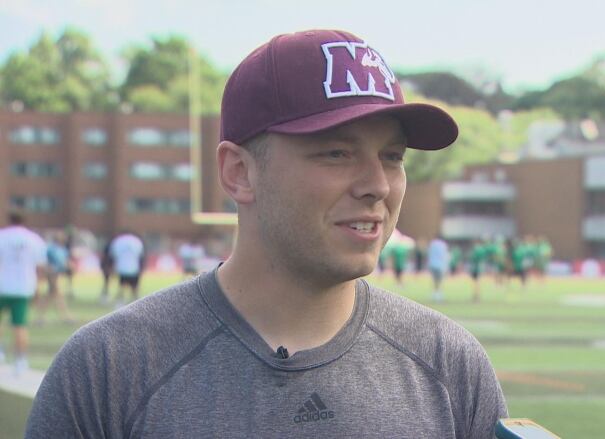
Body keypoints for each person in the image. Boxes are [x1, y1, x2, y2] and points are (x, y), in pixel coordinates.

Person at [27, 29, 506, 438]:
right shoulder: (106, 370)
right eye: (337, 153)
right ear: (239, 172)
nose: (377, 185)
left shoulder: (450, 366)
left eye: (393, 156)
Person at [0, 209, 46, 375]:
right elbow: (40, 267)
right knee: (20, 325)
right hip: (24, 287)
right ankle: (21, 360)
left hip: (3, 285)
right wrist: (38, 288)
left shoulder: (3, 236)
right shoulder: (34, 239)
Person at [36, 230, 75, 325]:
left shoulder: (62, 249)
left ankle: (40, 317)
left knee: (52, 295)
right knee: (57, 294)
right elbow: (47, 261)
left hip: (57, 274)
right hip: (52, 274)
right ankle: (66, 316)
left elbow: (64, 262)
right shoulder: (51, 249)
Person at [109, 231, 145, 307]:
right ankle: (137, 304)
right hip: (134, 268)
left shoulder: (118, 241)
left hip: (122, 268)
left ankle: (120, 302)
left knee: (122, 286)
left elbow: (113, 254)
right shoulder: (136, 241)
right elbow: (141, 255)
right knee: (134, 288)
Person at [427, 236, 450, 302]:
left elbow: (429, 253)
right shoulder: (443, 245)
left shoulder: (432, 244)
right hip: (440, 265)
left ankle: (434, 293)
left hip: (432, 264)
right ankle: (439, 294)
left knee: (434, 280)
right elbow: (445, 255)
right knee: (440, 280)